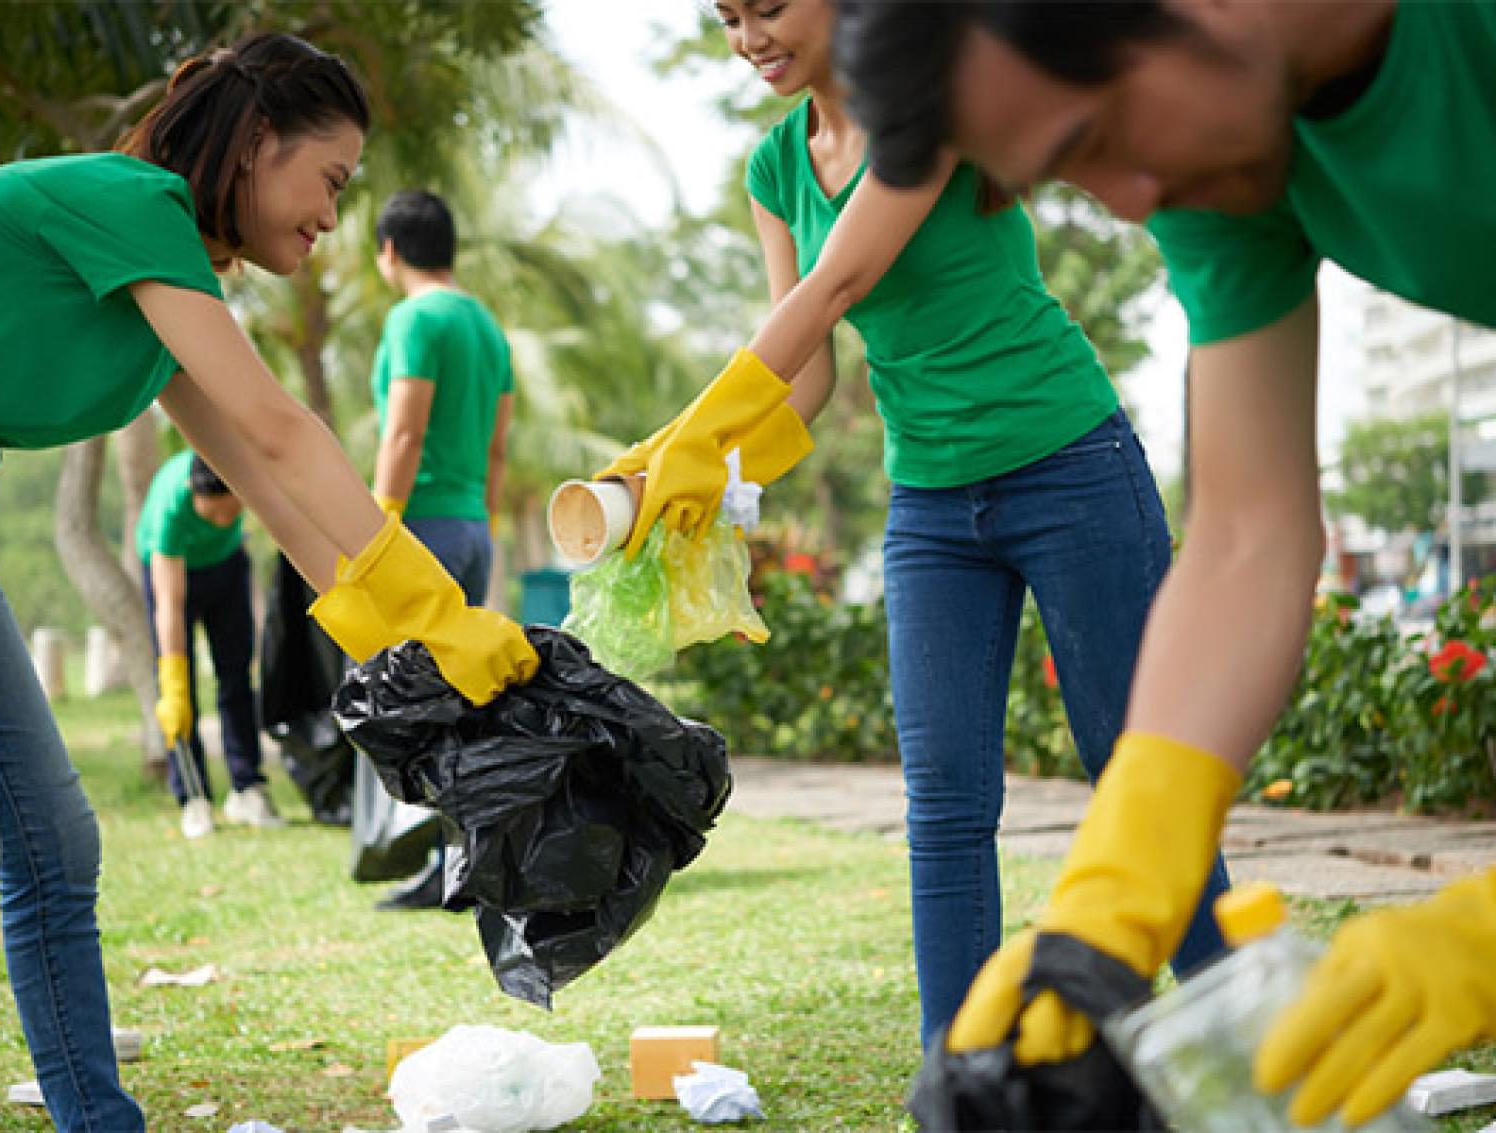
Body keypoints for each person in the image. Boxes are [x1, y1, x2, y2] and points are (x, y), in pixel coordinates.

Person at [0, 32, 536, 1133]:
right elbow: (286, 433)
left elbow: (268, 488)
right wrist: (439, 607)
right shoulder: (136, 206)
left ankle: (99, 1118)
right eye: (327, 180)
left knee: (54, 841)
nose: (334, 217)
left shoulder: (166, 270)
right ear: (255, 143)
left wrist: (412, 642)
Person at [830, 1, 1496, 1126]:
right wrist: (1113, 884)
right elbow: (1245, 527)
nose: (1128, 201)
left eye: (1093, 135)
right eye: (1065, 174)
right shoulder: (1229, 151)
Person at [605, 0, 1230, 1046]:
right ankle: (959, 1076)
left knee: (1135, 769)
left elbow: (838, 280)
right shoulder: (773, 168)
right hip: (932, 506)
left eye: (768, 6)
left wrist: (691, 427)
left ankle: (1241, 1043)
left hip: (1066, 461)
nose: (749, 36)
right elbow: (801, 373)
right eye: (725, 18)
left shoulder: (926, 99)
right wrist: (696, 474)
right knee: (942, 804)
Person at [365, 187, 515, 910]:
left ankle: (444, 867)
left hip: (419, 526)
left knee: (418, 706)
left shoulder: (414, 317)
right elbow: (497, 444)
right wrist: (478, 521)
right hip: (471, 528)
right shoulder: (488, 327)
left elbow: (403, 430)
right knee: (462, 698)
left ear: (390, 250)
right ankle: (463, 858)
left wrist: (380, 526)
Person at [139, 449, 281, 838]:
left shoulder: (241, 477)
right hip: (171, 570)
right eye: (214, 513)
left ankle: (247, 787)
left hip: (227, 566)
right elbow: (169, 605)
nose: (223, 520)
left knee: (236, 676)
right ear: (193, 492)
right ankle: (194, 799)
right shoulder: (171, 507)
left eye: (231, 513)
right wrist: (173, 679)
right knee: (180, 696)